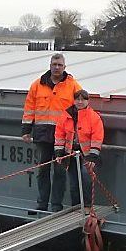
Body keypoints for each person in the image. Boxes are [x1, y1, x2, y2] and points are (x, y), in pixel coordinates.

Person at [21, 53, 82, 211]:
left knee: (60, 171)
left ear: (64, 67)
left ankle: (56, 205)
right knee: (43, 170)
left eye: (59, 65)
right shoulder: (37, 85)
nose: (56, 67)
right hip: (42, 135)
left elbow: (81, 110)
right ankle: (42, 204)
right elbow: (29, 109)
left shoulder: (73, 86)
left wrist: (78, 133)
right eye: (54, 64)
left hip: (62, 136)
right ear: (50, 65)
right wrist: (26, 130)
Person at [51, 89, 104, 210]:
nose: (80, 102)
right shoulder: (65, 115)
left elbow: (97, 137)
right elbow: (59, 135)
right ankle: (76, 207)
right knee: (74, 182)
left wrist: (92, 156)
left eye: (83, 99)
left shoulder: (93, 117)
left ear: (87, 101)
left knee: (86, 178)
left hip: (86, 155)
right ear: (74, 100)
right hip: (70, 154)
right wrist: (59, 153)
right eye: (77, 99)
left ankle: (87, 206)